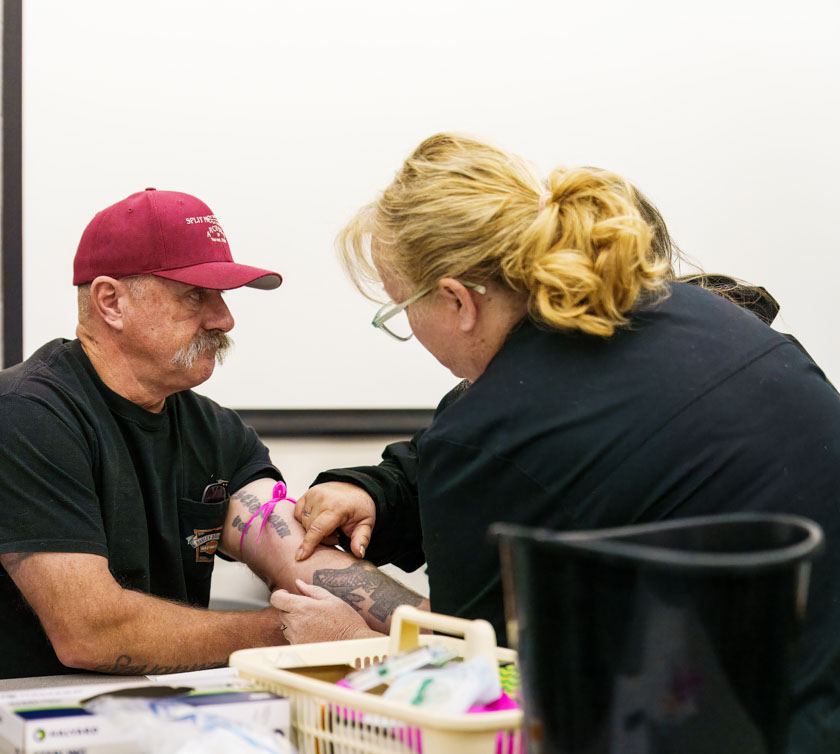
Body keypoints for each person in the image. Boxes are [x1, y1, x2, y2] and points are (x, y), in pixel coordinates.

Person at [281, 134, 840, 751]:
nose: (410, 328)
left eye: (401, 308)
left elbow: (486, 698)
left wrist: (361, 645)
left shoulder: (495, 431)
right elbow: (583, 456)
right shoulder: (698, 311)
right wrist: (381, 491)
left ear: (458, 300)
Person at [0, 188, 425, 686]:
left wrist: (435, 632)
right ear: (111, 302)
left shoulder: (216, 431)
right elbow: (91, 633)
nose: (224, 318)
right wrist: (289, 632)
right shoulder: (19, 417)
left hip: (138, 714)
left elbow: (298, 555)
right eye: (196, 296)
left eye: (221, 296)